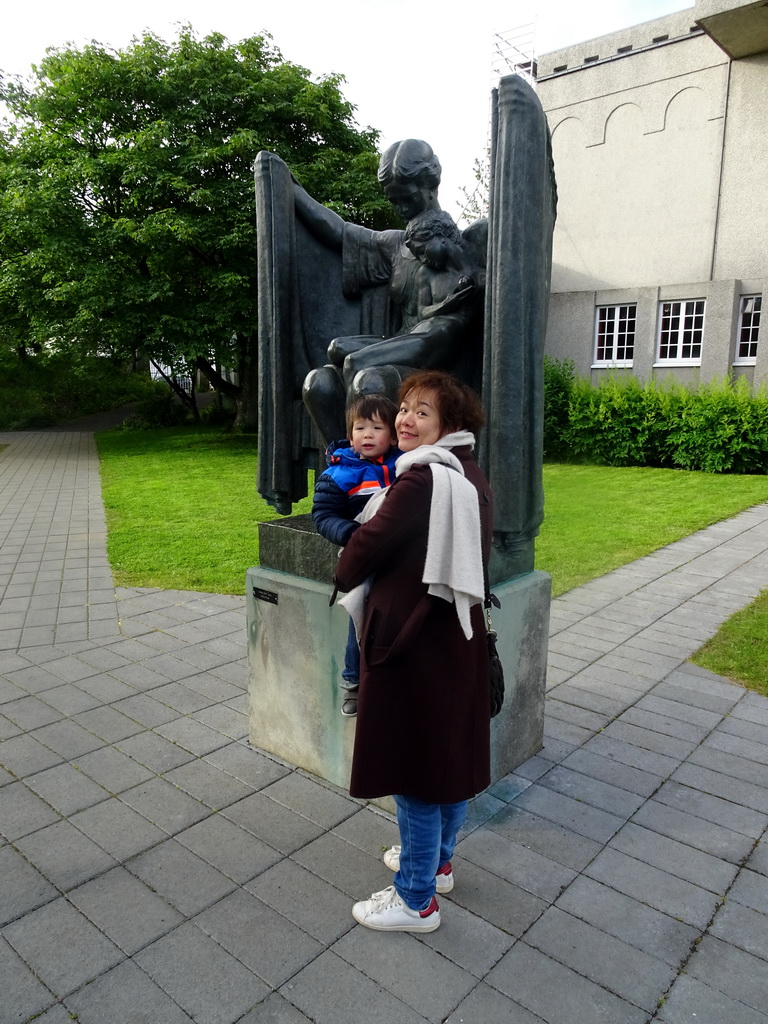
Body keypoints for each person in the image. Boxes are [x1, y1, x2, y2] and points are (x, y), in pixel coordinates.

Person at [333, 370, 494, 932]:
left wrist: (355, 537)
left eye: (422, 411)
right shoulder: (469, 475)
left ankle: (416, 899)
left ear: (449, 425)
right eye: (404, 407)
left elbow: (355, 558)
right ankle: (438, 863)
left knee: (415, 772)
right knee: (444, 760)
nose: (405, 418)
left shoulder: (423, 482)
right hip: (456, 640)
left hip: (413, 646)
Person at [293, 140, 486, 445]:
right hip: (401, 342)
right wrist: (292, 193)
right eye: (393, 200)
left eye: (406, 198)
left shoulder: (473, 241)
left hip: (441, 364)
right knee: (319, 381)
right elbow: (341, 233)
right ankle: (342, 466)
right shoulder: (398, 243)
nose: (400, 209)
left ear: (430, 185)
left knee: (366, 376)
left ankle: (370, 466)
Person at [312, 394, 400, 718]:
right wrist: (351, 533)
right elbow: (322, 515)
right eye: (359, 428)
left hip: (400, 547)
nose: (367, 434)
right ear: (350, 436)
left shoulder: (403, 462)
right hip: (363, 549)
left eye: (376, 427)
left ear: (392, 435)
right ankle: (353, 681)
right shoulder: (339, 474)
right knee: (360, 610)